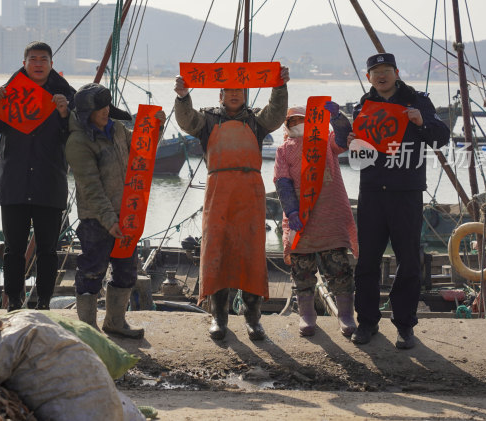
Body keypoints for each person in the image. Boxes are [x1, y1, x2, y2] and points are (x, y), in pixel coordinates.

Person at [175, 70, 289, 341]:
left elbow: (275, 114)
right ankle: (218, 317)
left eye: (240, 90)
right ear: (221, 95)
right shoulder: (208, 119)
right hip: (218, 193)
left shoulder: (255, 120)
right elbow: (187, 121)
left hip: (250, 193)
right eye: (229, 90)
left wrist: (279, 86)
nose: (235, 94)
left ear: (245, 94)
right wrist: (182, 96)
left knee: (251, 254)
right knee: (217, 251)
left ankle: (253, 319)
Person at [348, 53, 450, 349]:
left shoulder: (417, 101)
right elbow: (358, 154)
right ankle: (366, 322)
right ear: (369, 77)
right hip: (371, 193)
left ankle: (405, 326)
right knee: (366, 260)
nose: (381, 75)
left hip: (406, 192)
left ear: (396, 72)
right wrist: (351, 140)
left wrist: (420, 124)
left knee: (409, 260)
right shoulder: (362, 106)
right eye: (375, 71)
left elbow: (440, 137)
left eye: (386, 70)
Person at [0, 41, 75, 311]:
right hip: (15, 182)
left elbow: (78, 134)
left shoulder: (66, 94)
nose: (38, 63)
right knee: (13, 249)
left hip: (49, 183)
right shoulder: (10, 91)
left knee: (48, 250)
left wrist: (65, 113)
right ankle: (15, 302)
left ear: (51, 64)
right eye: (33, 59)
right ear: (25, 63)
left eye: (43, 59)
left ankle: (44, 302)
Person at [65, 83, 166, 338]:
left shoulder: (119, 129)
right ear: (87, 112)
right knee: (91, 273)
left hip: (127, 216)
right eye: (99, 108)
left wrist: (157, 126)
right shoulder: (77, 141)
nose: (105, 111)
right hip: (95, 221)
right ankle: (88, 329)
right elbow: (90, 187)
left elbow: (143, 149)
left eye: (107, 106)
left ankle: (115, 322)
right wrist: (109, 219)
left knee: (126, 271)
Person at [273, 104, 358, 337]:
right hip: (301, 219)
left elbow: (342, 138)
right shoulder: (283, 150)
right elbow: (282, 181)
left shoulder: (325, 142)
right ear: (286, 126)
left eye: (303, 120)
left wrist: (338, 117)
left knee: (339, 266)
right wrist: (291, 211)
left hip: (330, 216)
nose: (298, 124)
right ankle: (307, 315)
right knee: (302, 268)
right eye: (293, 121)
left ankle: (346, 315)